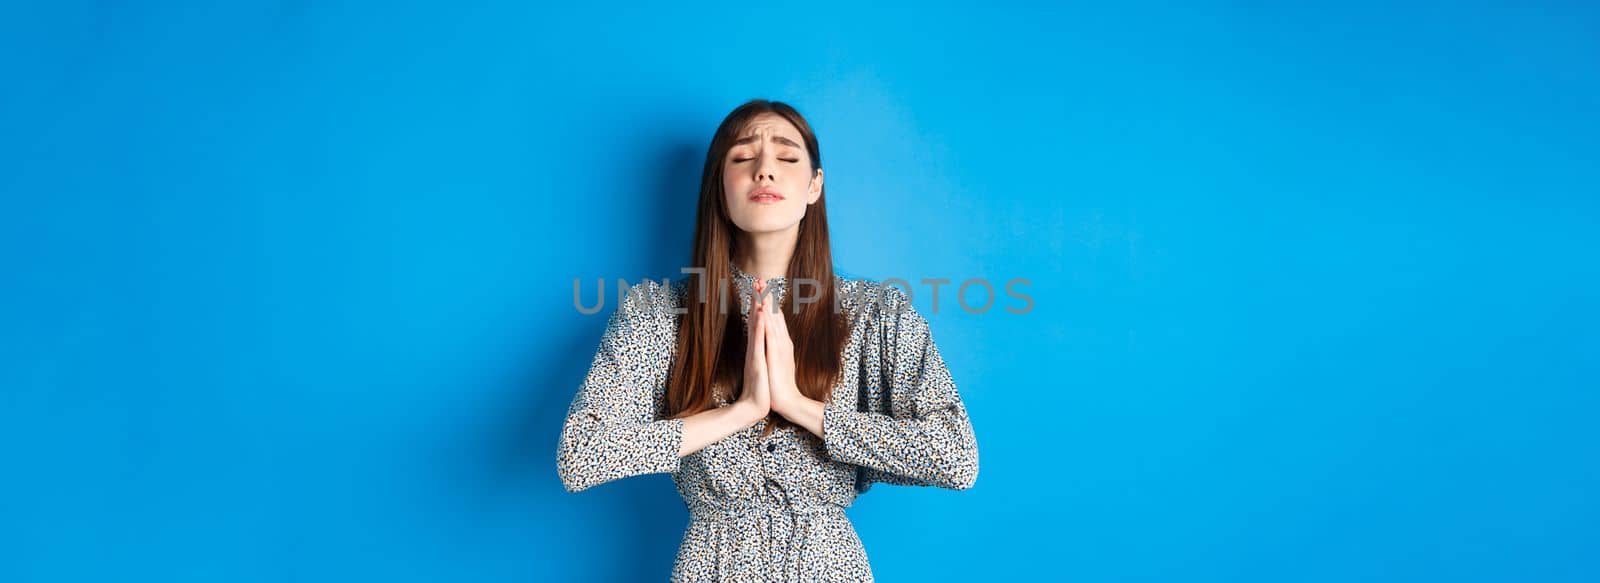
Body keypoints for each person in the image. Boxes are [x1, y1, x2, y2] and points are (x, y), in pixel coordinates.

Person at [556, 98, 979, 582]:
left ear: (814, 185)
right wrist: (742, 410)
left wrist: (799, 406)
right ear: (719, 187)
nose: (764, 171)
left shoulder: (877, 314)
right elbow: (581, 454)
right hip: (711, 566)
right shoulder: (657, 314)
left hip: (829, 567)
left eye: (786, 157)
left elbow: (955, 458)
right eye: (741, 158)